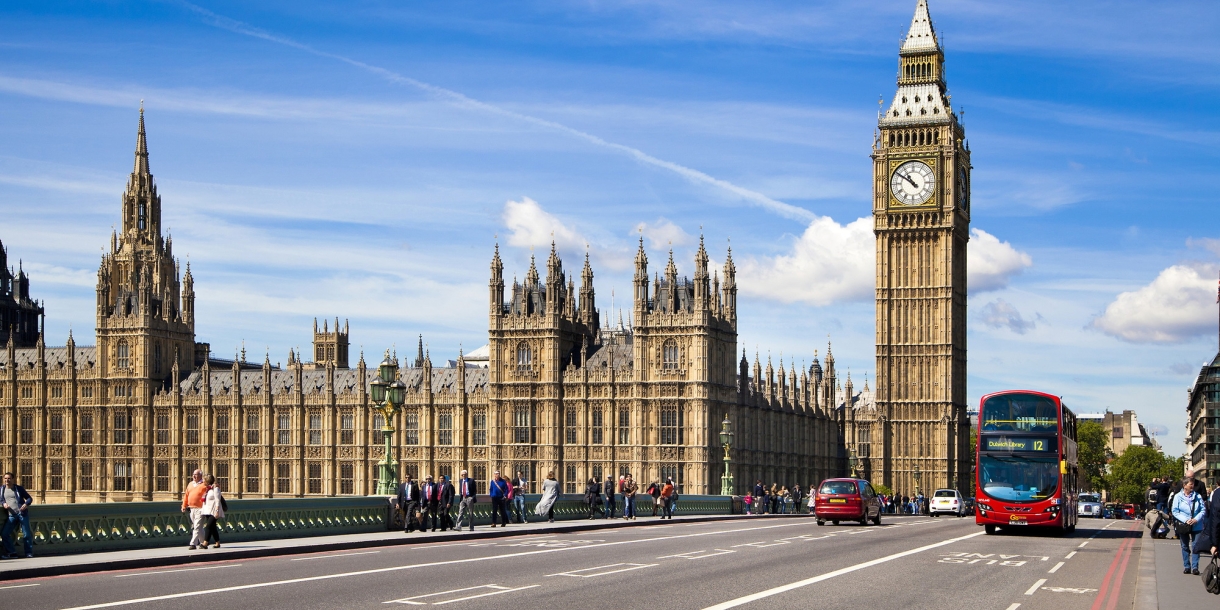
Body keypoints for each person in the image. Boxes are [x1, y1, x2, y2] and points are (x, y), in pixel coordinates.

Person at [1171, 477, 1206, 575]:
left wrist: (1196, 519)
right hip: (1183, 524)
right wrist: (1185, 520)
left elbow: (1203, 510)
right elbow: (1175, 511)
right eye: (1190, 484)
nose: (1192, 486)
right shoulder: (1178, 496)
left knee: (1196, 546)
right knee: (1185, 546)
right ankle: (1187, 566)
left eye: (1193, 484)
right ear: (1184, 485)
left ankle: (1195, 567)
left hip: (1196, 525)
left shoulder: (1198, 496)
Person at [0, 472, 34, 559]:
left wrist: (26, 504)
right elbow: (1, 499)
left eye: (9, 478)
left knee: (26, 534)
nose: (7, 480)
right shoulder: (1, 489)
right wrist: (3, 503)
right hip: (11, 515)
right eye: (5, 478)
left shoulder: (18, 488)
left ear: (13, 479)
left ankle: (28, 553)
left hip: (22, 514)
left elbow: (29, 498)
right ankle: (12, 552)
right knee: (4, 534)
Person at [181, 468, 208, 549]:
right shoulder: (190, 484)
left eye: (195, 474)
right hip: (191, 508)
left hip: (200, 508)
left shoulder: (204, 484)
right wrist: (183, 505)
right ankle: (203, 543)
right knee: (199, 527)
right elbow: (186, 495)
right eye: (193, 474)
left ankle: (193, 544)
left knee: (196, 526)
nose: (193, 476)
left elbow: (211, 490)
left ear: (200, 475)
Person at [199, 474, 224, 549]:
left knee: (208, 526)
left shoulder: (215, 489)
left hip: (214, 511)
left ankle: (205, 543)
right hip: (208, 511)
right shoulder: (208, 489)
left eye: (204, 479)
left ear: (207, 480)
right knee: (213, 527)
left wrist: (217, 511)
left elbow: (217, 500)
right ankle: (217, 543)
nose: (202, 481)